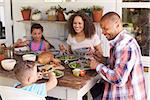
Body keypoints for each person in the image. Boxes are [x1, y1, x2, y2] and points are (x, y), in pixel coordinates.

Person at [90, 12, 147, 99]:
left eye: (105, 28)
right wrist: (104, 60)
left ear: (117, 25)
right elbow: (121, 64)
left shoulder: (124, 46)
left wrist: (98, 66)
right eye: (102, 29)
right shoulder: (123, 40)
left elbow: (118, 79)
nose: (103, 32)